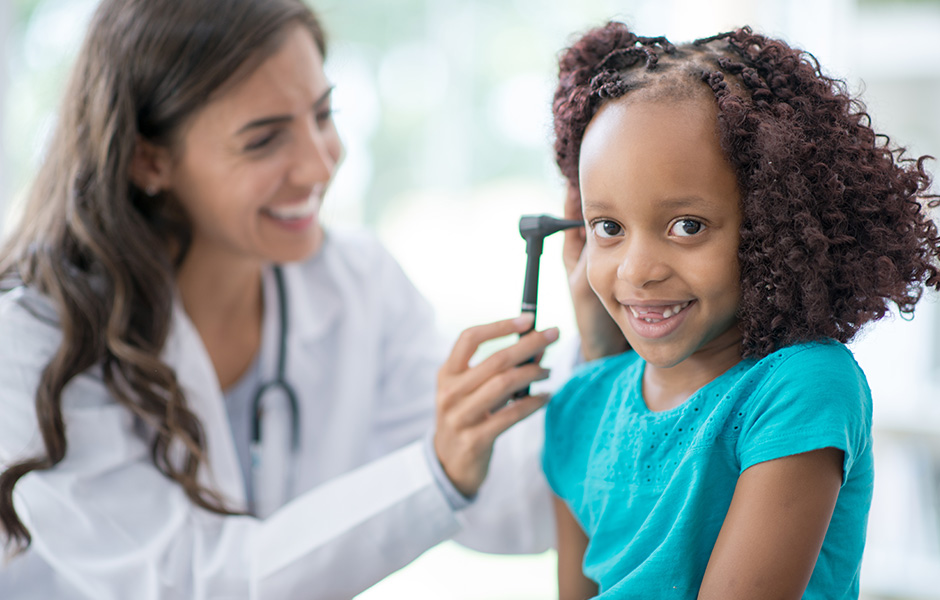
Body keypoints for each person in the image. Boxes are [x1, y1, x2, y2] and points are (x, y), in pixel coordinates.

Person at [0, 0, 580, 597]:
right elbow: (191, 583)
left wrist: (609, 336)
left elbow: (511, 498)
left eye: (323, 114)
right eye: (264, 140)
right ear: (150, 159)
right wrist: (435, 473)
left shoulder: (357, 286)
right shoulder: (33, 341)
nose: (320, 163)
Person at [543, 22, 940, 599]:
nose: (636, 270)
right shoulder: (577, 409)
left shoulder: (800, 387)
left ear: (773, 227)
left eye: (687, 226)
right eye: (609, 227)